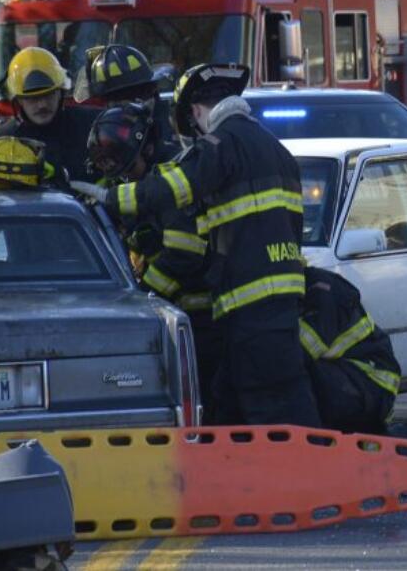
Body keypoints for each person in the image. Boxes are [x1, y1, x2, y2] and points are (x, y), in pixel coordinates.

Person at [74, 63, 320, 427]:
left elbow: (173, 191)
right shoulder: (276, 150)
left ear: (196, 112)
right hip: (281, 299)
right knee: (239, 400)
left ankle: (303, 476)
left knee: (269, 410)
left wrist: (110, 199)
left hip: (248, 302)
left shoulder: (221, 144)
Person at [86, 102, 222, 401]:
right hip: (168, 317)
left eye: (129, 170)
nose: (126, 182)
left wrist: (144, 297)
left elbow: (185, 253)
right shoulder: (128, 181)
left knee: (204, 399)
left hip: (201, 317)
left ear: (147, 150)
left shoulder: (172, 182)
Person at [300, 267, 401, 433]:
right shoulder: (307, 288)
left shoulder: (322, 291)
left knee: (293, 375)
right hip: (351, 379)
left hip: (372, 383)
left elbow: (298, 353)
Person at [0, 46, 98, 182]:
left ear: (60, 93)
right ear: (20, 101)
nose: (42, 105)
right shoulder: (1, 143)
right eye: (32, 98)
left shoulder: (92, 126)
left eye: (48, 95)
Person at [79, 44, 179, 164]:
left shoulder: (173, 124)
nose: (134, 104)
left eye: (142, 92)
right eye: (114, 99)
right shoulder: (100, 133)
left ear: (153, 90)